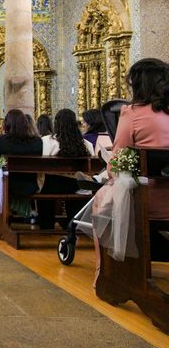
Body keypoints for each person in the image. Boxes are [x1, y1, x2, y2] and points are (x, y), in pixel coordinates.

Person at [91, 58, 169, 286]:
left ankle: (104, 274)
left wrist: (110, 169)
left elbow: (117, 162)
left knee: (100, 202)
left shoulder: (132, 113)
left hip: (148, 200)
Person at [39, 108, 94, 229]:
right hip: (77, 184)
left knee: (44, 192)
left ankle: (46, 224)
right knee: (80, 189)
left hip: (52, 184)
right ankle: (73, 223)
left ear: (56, 124)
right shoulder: (85, 144)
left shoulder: (46, 141)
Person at [0, 109, 43, 218]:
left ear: (7, 124)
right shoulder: (37, 141)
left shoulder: (1, 140)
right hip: (31, 185)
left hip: (7, 185)